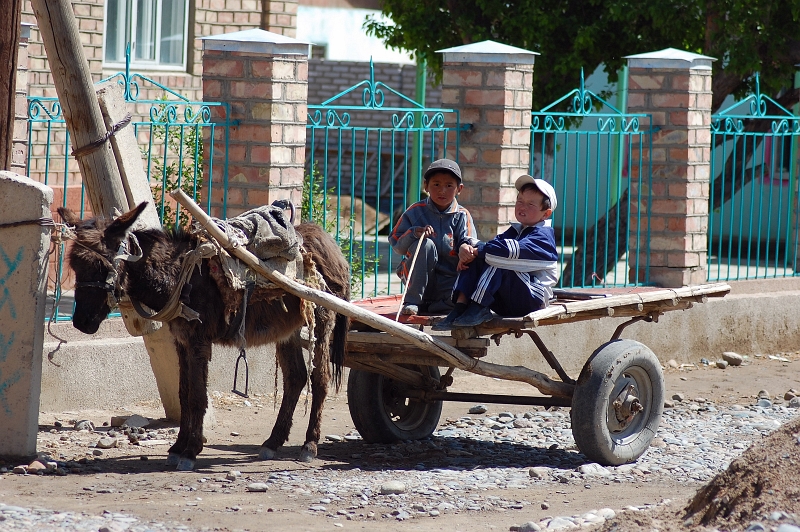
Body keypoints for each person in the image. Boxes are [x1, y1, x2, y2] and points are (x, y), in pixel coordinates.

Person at [433, 175, 559, 330]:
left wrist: (477, 250)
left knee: (499, 258)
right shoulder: (516, 230)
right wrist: (465, 248)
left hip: (531, 301)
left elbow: (503, 252)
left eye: (530, 204)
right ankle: (460, 307)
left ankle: (478, 306)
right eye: (520, 201)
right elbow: (488, 245)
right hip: (505, 301)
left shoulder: (543, 238)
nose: (522, 207)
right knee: (481, 256)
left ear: (546, 213)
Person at [389, 158, 479, 316]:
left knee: (465, 298)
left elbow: (469, 240)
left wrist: (465, 249)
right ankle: (413, 302)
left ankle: (435, 306)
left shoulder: (462, 215)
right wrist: (415, 233)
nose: (442, 191)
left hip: (448, 282)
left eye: (449, 185)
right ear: (426, 186)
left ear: (459, 189)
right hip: (415, 280)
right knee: (426, 244)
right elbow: (397, 244)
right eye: (436, 184)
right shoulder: (415, 212)